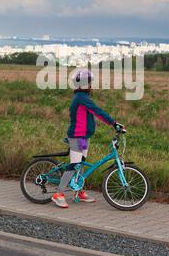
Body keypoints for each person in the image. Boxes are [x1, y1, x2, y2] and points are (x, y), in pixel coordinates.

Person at [52, 69, 125, 208]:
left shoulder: (83, 97)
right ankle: (58, 194)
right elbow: (97, 111)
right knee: (74, 164)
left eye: (89, 82)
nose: (89, 85)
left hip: (84, 137)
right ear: (79, 85)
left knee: (82, 163)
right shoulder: (81, 98)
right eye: (86, 82)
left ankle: (78, 191)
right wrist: (113, 123)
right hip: (77, 136)